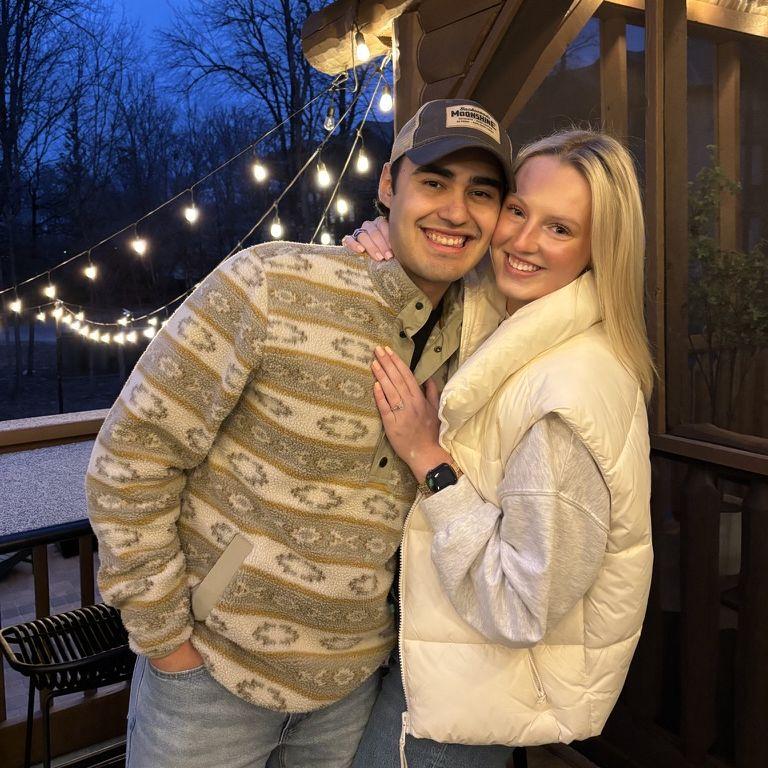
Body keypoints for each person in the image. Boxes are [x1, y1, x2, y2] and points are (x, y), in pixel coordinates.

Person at [84, 99, 515, 768]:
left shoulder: (479, 335)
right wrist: (167, 643)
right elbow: (129, 462)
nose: (457, 211)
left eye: (481, 193)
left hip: (349, 696)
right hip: (209, 684)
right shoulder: (268, 285)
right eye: (434, 182)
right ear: (388, 186)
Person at [345, 130, 655, 768]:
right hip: (432, 653)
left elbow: (521, 605)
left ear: (599, 249)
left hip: (467, 698)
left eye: (560, 228)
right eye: (518, 210)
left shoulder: (568, 396)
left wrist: (429, 460)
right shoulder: (502, 319)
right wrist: (385, 239)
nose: (522, 240)